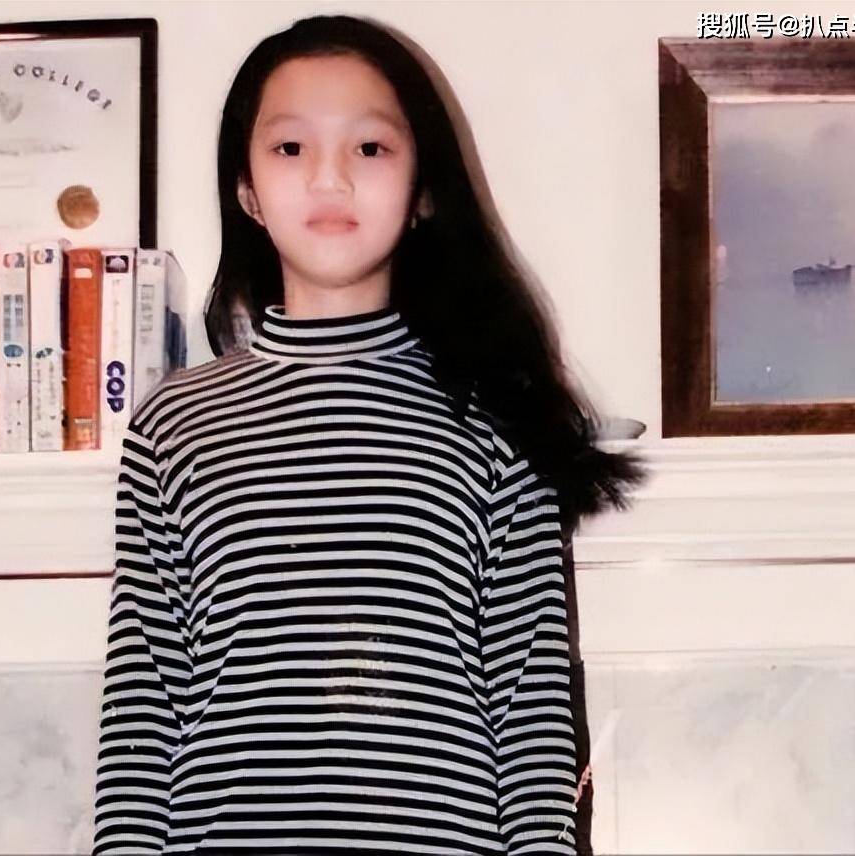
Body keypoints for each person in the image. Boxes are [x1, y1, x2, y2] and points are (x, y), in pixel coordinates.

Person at [92, 13, 648, 856]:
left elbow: (531, 714)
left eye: (370, 148)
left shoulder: (498, 419)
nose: (331, 178)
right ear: (246, 190)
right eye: (291, 148)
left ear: (424, 190)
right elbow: (143, 708)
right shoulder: (172, 425)